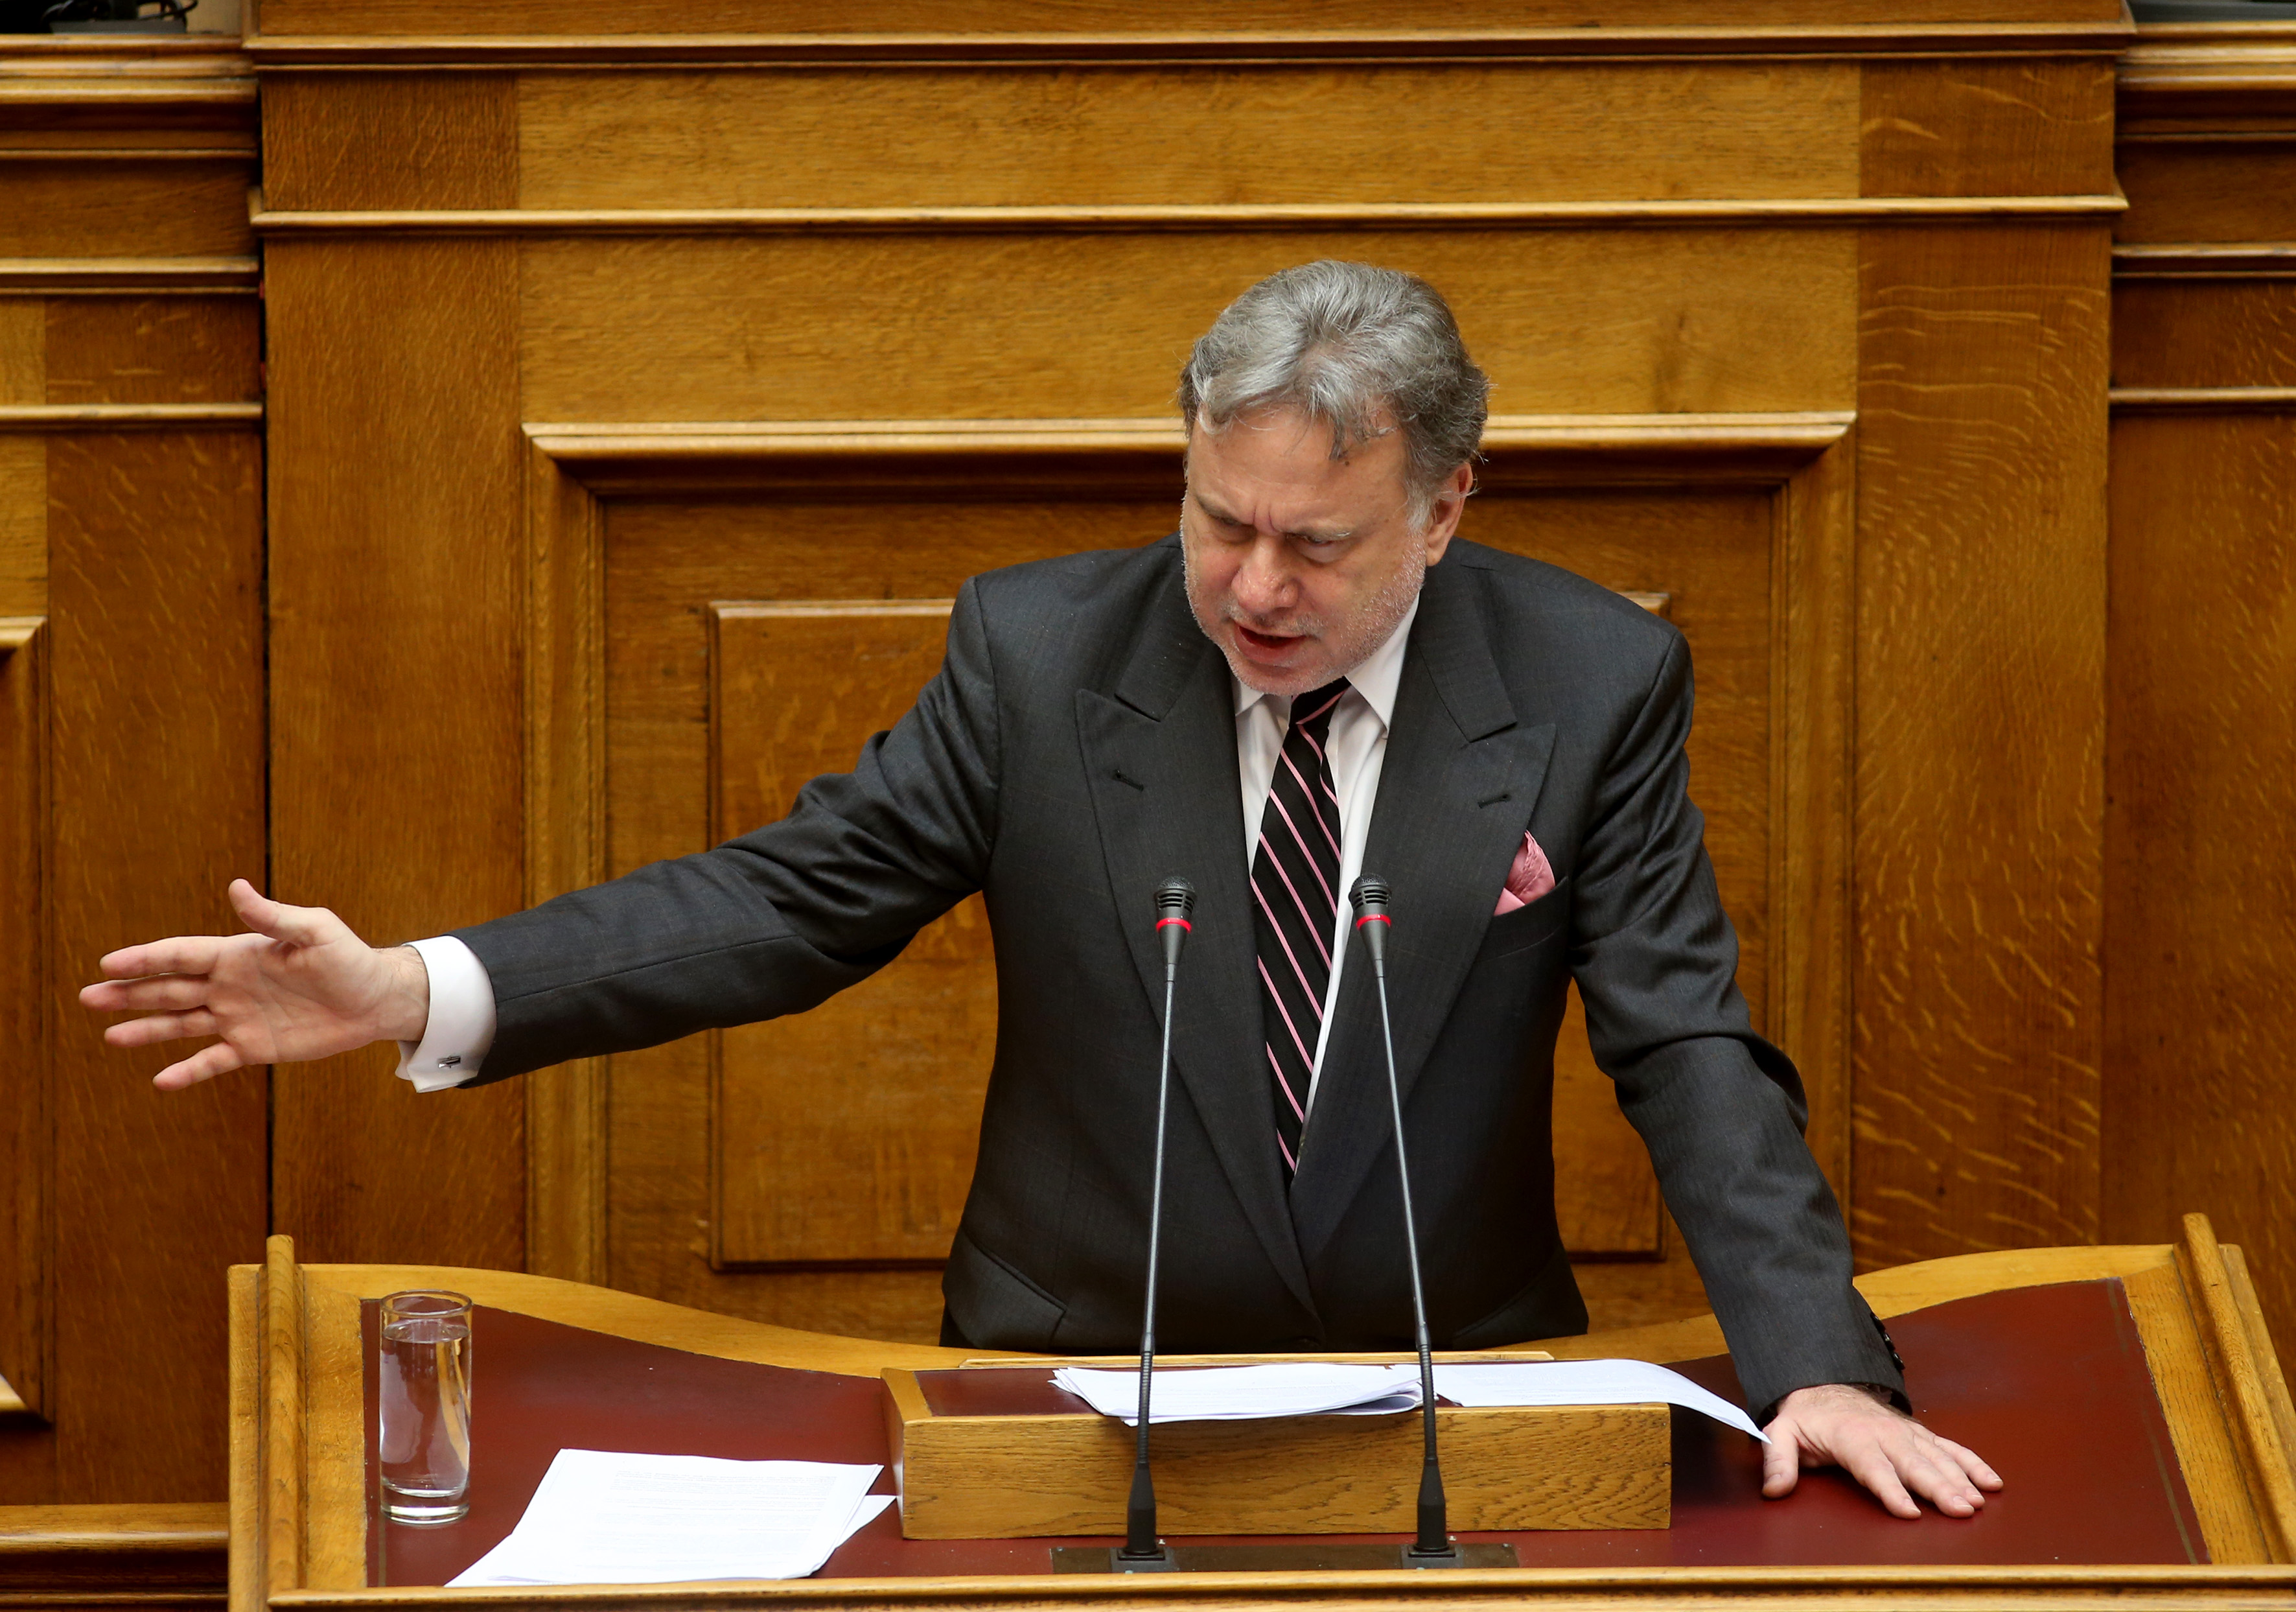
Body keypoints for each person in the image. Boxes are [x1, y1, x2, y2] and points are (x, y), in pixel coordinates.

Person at [82, 261, 1999, 1520]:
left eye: (1318, 545)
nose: (1255, 588)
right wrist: (418, 988)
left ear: (1445, 508)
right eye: (1220, 522)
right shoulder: (1040, 653)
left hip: (1450, 1399)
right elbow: (797, 901)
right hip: (1068, 1398)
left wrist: (1818, 1367)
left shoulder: (1590, 681)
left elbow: (1685, 1044)